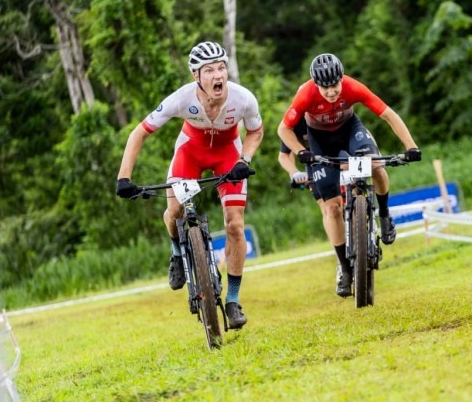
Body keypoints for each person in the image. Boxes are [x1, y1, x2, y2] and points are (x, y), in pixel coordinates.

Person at [116, 41, 263, 330]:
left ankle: (233, 300)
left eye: (221, 68)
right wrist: (124, 177)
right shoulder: (182, 98)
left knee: (234, 224)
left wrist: (244, 159)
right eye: (209, 70)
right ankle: (175, 251)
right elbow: (139, 133)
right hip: (190, 153)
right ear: (197, 76)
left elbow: (256, 131)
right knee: (174, 210)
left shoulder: (243, 98)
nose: (218, 75)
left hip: (227, 155)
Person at [277, 53, 421, 298]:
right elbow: (283, 129)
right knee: (332, 207)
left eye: (335, 85)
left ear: (341, 79)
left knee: (375, 165)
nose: (331, 91)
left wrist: (411, 146)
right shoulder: (306, 94)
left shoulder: (353, 87)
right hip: (319, 142)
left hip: (349, 130)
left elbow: (388, 114)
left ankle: (384, 214)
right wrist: (301, 152)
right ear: (316, 84)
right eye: (325, 87)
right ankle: (344, 268)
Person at [277, 119, 345, 286]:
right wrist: (294, 173)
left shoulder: (330, 110)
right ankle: (340, 261)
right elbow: (284, 155)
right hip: (315, 165)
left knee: (355, 191)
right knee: (329, 209)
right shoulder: (294, 121)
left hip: (340, 157)